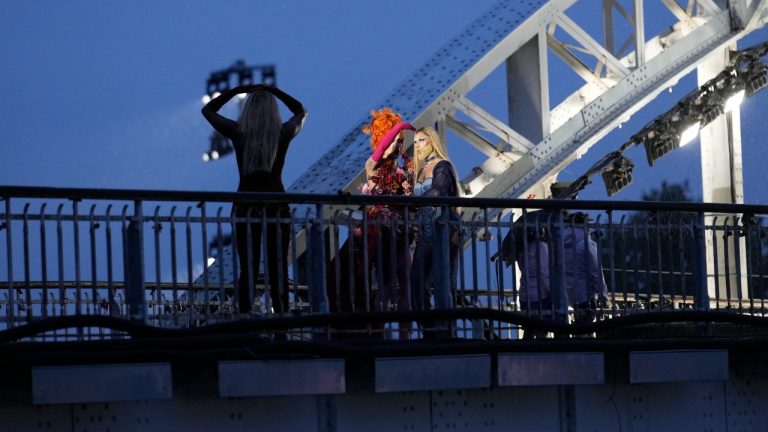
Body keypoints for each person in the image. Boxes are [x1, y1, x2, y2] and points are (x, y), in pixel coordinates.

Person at [201, 83, 306, 315]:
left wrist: (237, 91)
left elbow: (207, 111)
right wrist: (276, 91)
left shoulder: (239, 133)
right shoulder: (283, 133)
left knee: (247, 269)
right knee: (278, 269)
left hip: (245, 206)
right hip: (277, 207)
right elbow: (301, 111)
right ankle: (281, 328)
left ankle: (246, 322)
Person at [360, 108, 415, 338]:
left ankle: (405, 336)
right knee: (385, 285)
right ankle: (379, 334)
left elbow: (410, 201)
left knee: (406, 284)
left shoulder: (401, 170)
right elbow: (381, 149)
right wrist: (398, 128)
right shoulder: (372, 167)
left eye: (399, 141)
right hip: (382, 233)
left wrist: (408, 192)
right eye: (391, 139)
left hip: (401, 231)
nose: (396, 145)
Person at [410, 127, 460, 338]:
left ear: (433, 141)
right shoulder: (421, 171)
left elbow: (439, 189)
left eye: (422, 140)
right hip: (426, 233)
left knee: (443, 281)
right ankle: (430, 330)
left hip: (444, 230)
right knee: (416, 281)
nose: (418, 144)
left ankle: (445, 330)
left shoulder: (442, 166)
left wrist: (417, 203)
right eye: (415, 141)